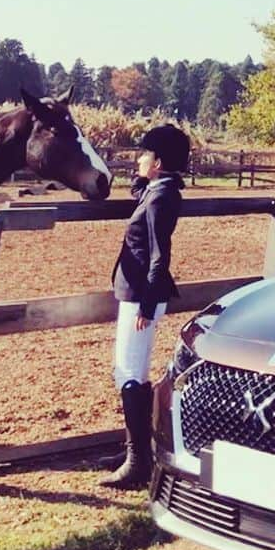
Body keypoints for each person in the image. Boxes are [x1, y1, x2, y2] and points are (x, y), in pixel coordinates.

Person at [100, 123, 190, 489]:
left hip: (141, 296)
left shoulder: (160, 198)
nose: (139, 158)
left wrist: (146, 307)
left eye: (145, 155)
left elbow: (158, 257)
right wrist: (141, 179)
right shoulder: (158, 190)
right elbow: (143, 195)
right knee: (127, 371)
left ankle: (138, 462)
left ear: (159, 162)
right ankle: (135, 452)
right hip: (138, 294)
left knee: (129, 374)